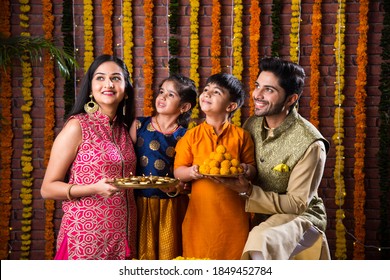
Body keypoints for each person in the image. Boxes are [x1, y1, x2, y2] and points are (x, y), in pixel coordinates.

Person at [220, 57, 331, 260]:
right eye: (257, 86)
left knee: (260, 238)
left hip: (301, 219)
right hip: (259, 214)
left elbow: (297, 204)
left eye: (269, 90)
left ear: (290, 99)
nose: (257, 95)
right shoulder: (252, 124)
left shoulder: (311, 143)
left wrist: (247, 191)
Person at [40, 54, 137, 260]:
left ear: (126, 89)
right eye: (100, 78)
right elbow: (47, 188)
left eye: (116, 78)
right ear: (91, 88)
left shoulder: (124, 130)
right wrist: (93, 189)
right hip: (84, 239)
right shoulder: (78, 126)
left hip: (123, 236)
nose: (108, 84)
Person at [173, 73, 257, 260]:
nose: (207, 94)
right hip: (200, 216)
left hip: (234, 217)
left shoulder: (241, 136)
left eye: (216, 92)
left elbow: (252, 170)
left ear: (231, 106)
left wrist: (244, 169)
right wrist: (192, 172)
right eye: (206, 90)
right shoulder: (192, 136)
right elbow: (178, 171)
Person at [129, 74, 198, 260]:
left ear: (184, 107)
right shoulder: (138, 125)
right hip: (139, 203)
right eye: (161, 92)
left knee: (170, 255)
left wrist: (180, 187)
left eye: (170, 95)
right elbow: (126, 162)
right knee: (140, 254)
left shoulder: (186, 136)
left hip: (171, 205)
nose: (162, 97)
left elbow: (189, 176)